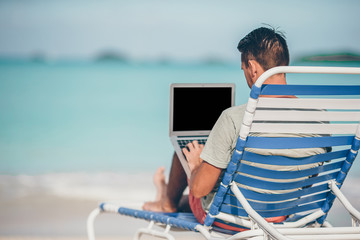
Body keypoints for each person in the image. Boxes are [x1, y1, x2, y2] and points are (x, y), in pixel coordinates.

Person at [142, 26, 326, 231]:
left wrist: (195, 166)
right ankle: (165, 195)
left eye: (244, 69)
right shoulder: (318, 119)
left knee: (188, 153)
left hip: (229, 219)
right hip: (282, 216)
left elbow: (199, 189)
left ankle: (166, 201)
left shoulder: (235, 118)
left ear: (252, 67)